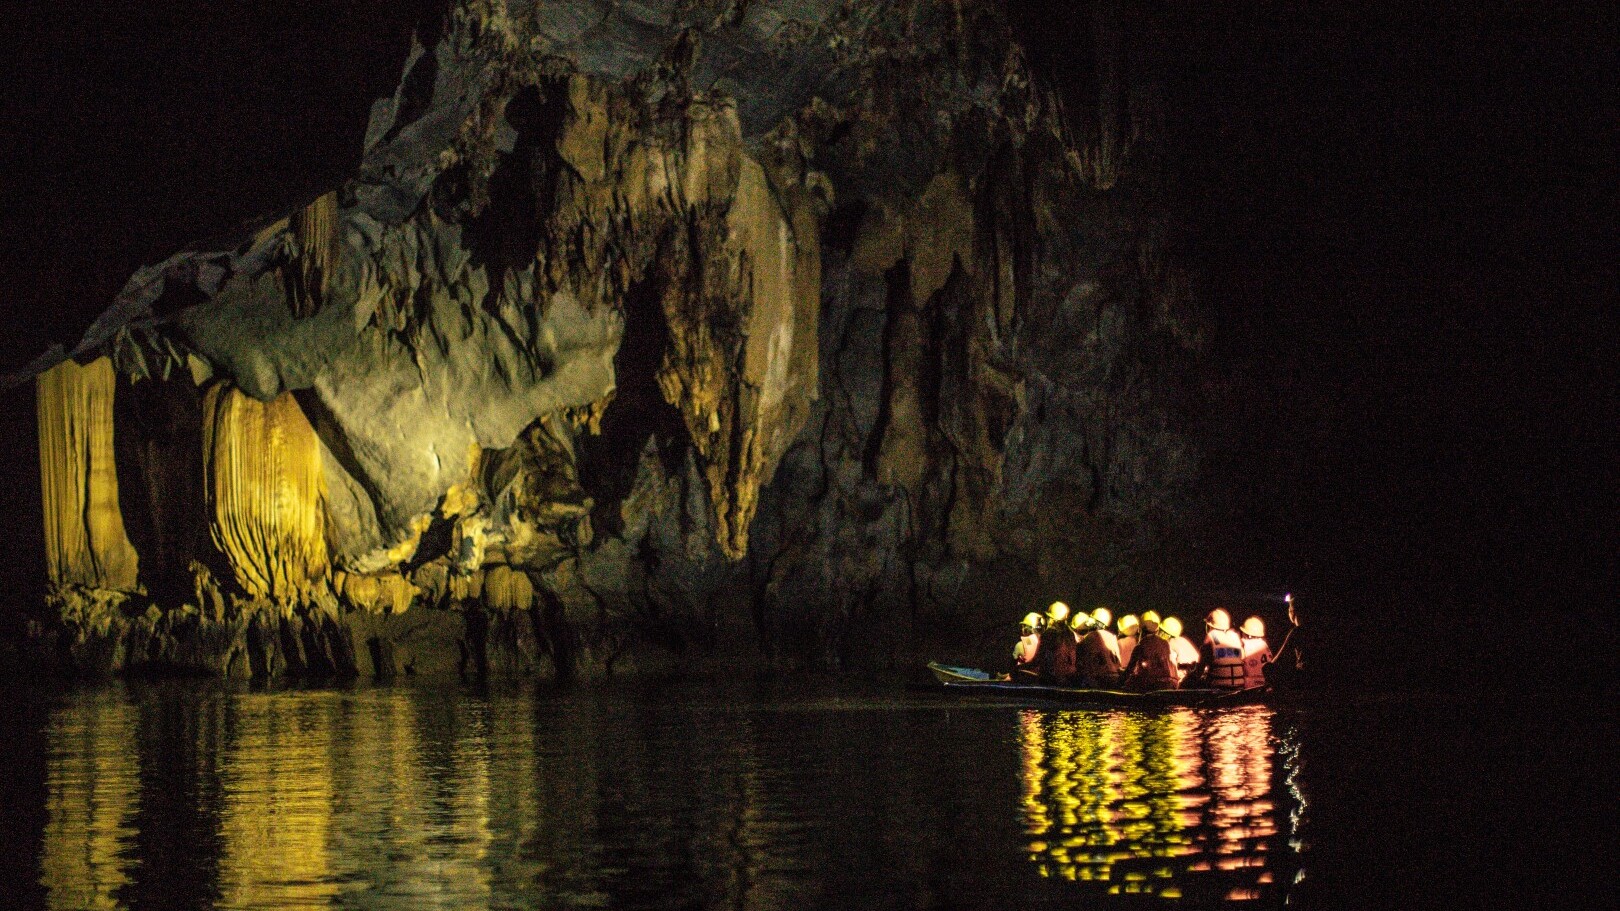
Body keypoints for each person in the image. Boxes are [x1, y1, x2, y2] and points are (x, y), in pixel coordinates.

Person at [1193, 608, 1247, 689]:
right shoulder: (1234, 637)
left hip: (1219, 689)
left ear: (1209, 625)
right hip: (1239, 687)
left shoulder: (1211, 638)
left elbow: (1200, 670)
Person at [1122, 611, 1178, 690]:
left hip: (1155, 686)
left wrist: (1116, 685)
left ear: (1140, 630)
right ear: (1157, 630)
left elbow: (1129, 671)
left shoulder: (1141, 646)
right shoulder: (1165, 643)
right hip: (1172, 685)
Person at [1071, 609, 1122, 688]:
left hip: (1097, 679)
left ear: (1096, 622)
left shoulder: (1091, 637)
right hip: (1114, 677)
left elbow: (1080, 660)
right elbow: (1118, 660)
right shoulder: (1112, 637)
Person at [1035, 601, 1077, 685]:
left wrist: (1017, 668)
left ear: (1051, 619)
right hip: (1069, 678)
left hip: (1052, 679)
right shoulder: (1071, 634)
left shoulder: (1049, 634)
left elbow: (1037, 660)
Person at [1161, 616, 1201, 685]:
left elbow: (1170, 669)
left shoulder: (1169, 645)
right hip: (1196, 677)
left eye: (1160, 630)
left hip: (1183, 680)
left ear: (1165, 634)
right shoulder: (1183, 640)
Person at [1239, 615, 1272, 689]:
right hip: (1266, 684)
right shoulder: (1264, 644)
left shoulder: (1244, 644)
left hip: (1250, 685)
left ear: (1248, 634)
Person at [1013, 612, 1043, 680]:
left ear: (1031, 628)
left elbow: (1013, 666)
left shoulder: (1020, 645)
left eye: (1024, 626)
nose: (1022, 629)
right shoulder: (1046, 644)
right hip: (1040, 680)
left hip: (1024, 679)